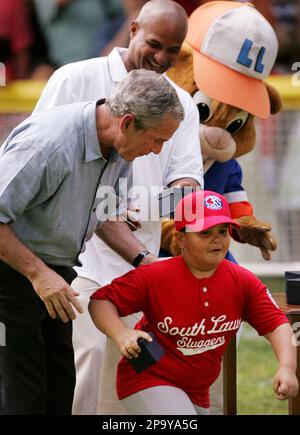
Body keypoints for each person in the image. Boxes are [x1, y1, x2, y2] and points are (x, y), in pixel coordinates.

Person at [33, 0, 203, 415]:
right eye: (154, 44)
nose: (161, 58)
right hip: (74, 260)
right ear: (132, 30)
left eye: (173, 50)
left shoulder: (182, 102)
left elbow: (186, 184)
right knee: (83, 373)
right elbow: (40, 159)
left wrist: (141, 208)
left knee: (123, 389)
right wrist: (114, 211)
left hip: (140, 266)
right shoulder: (74, 78)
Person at [0, 69, 184, 415]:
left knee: (58, 392)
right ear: (128, 122)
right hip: (10, 275)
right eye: (157, 139)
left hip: (55, 276)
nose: (158, 151)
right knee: (21, 397)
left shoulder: (120, 149)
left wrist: (146, 263)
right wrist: (38, 275)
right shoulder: (47, 144)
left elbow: (103, 214)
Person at [89, 190, 299, 415]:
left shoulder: (241, 280)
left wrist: (287, 368)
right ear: (181, 239)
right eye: (204, 232)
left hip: (197, 390)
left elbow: (276, 323)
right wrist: (122, 333)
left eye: (222, 231)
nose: (216, 239)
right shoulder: (156, 275)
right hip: (148, 378)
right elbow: (101, 301)